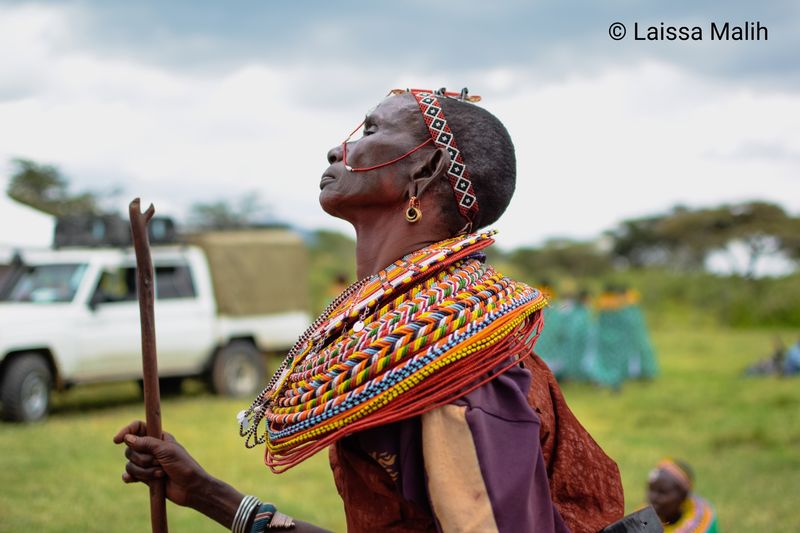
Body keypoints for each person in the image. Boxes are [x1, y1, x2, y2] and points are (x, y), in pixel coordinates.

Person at [115, 88, 624, 532]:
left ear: (424, 169)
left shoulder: (456, 368)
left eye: (372, 129)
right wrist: (208, 495)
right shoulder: (414, 348)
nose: (339, 147)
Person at [647, 458, 719, 532]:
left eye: (662, 492)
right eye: (651, 489)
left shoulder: (703, 524)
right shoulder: (644, 518)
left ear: (682, 496)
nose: (652, 497)